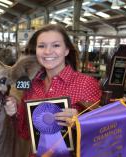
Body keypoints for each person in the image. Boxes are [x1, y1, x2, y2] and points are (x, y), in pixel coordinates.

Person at [5, 24, 102, 156]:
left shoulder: (86, 84)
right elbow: (25, 132)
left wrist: (78, 122)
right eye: (42, 46)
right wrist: (14, 111)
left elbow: (101, 134)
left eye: (56, 45)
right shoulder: (32, 85)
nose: (47, 51)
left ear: (66, 50)